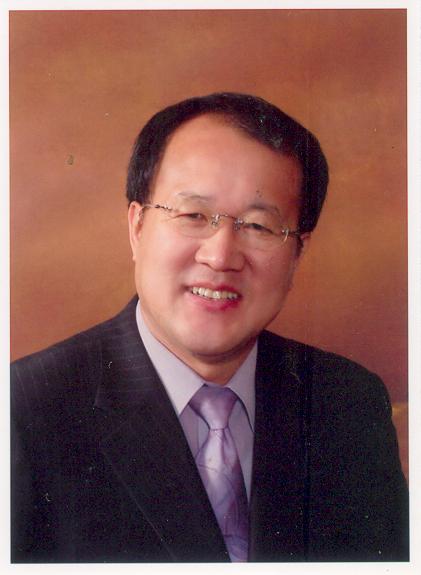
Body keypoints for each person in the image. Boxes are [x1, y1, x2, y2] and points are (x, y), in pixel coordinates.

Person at [11, 92, 409, 563]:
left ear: (297, 253)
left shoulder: (347, 403)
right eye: (193, 216)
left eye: (259, 226)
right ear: (137, 226)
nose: (220, 256)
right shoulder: (23, 410)